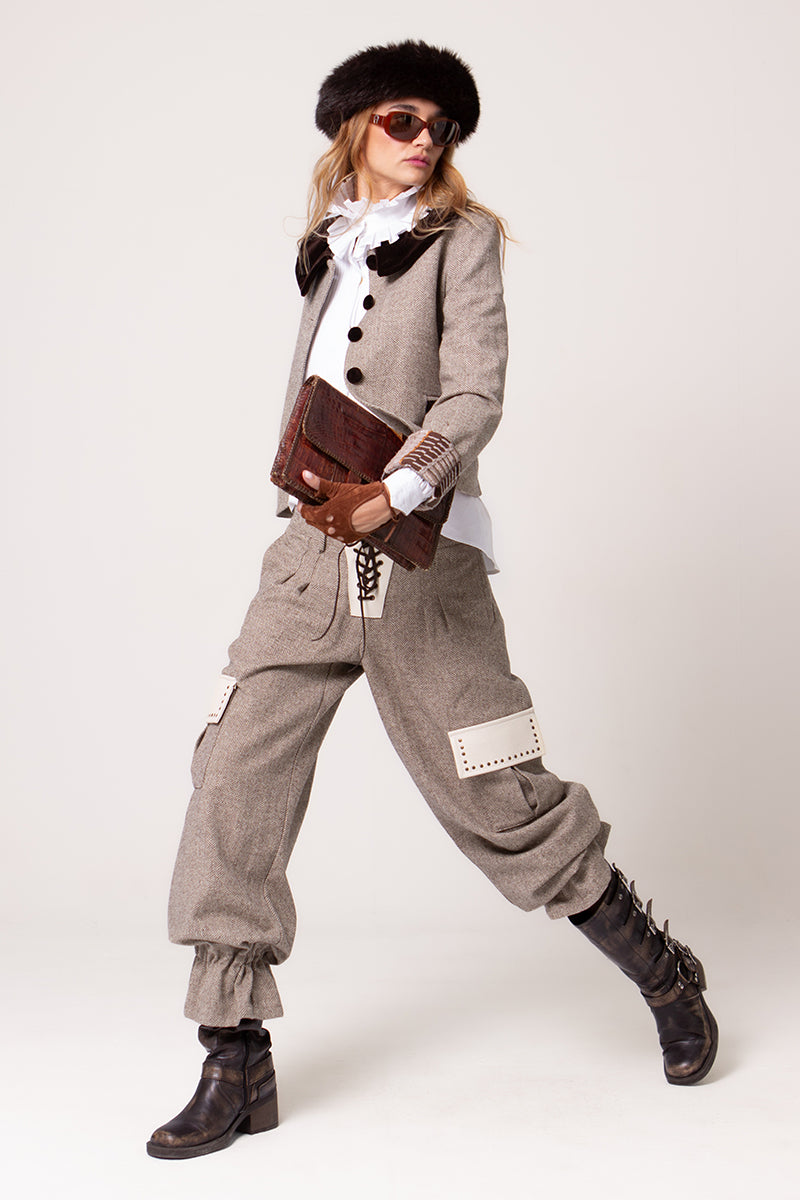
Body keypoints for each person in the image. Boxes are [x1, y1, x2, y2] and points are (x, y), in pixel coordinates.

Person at [146, 40, 718, 1160]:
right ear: (354, 126)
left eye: (438, 126)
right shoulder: (327, 243)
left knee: (498, 794)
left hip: (421, 563)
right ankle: (233, 1057)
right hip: (307, 559)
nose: (423, 140)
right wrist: (321, 500)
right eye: (400, 120)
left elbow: (474, 392)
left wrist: (395, 490)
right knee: (232, 778)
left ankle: (663, 973)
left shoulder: (466, 240)